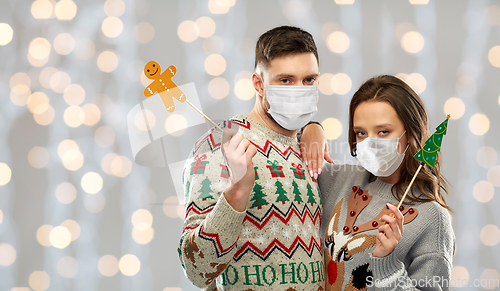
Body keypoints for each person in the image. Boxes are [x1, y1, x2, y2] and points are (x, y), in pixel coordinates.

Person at [178, 26, 326, 290]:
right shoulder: (218, 145)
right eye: (285, 80)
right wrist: (237, 193)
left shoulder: (307, 146)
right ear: (259, 84)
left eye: (309, 80)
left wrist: (315, 127)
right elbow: (196, 270)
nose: (299, 90)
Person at [300, 75, 455, 290]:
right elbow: (282, 149)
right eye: (361, 133)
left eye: (383, 132)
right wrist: (311, 128)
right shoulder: (337, 179)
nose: (370, 143)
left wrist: (387, 263)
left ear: (410, 133)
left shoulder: (432, 218)